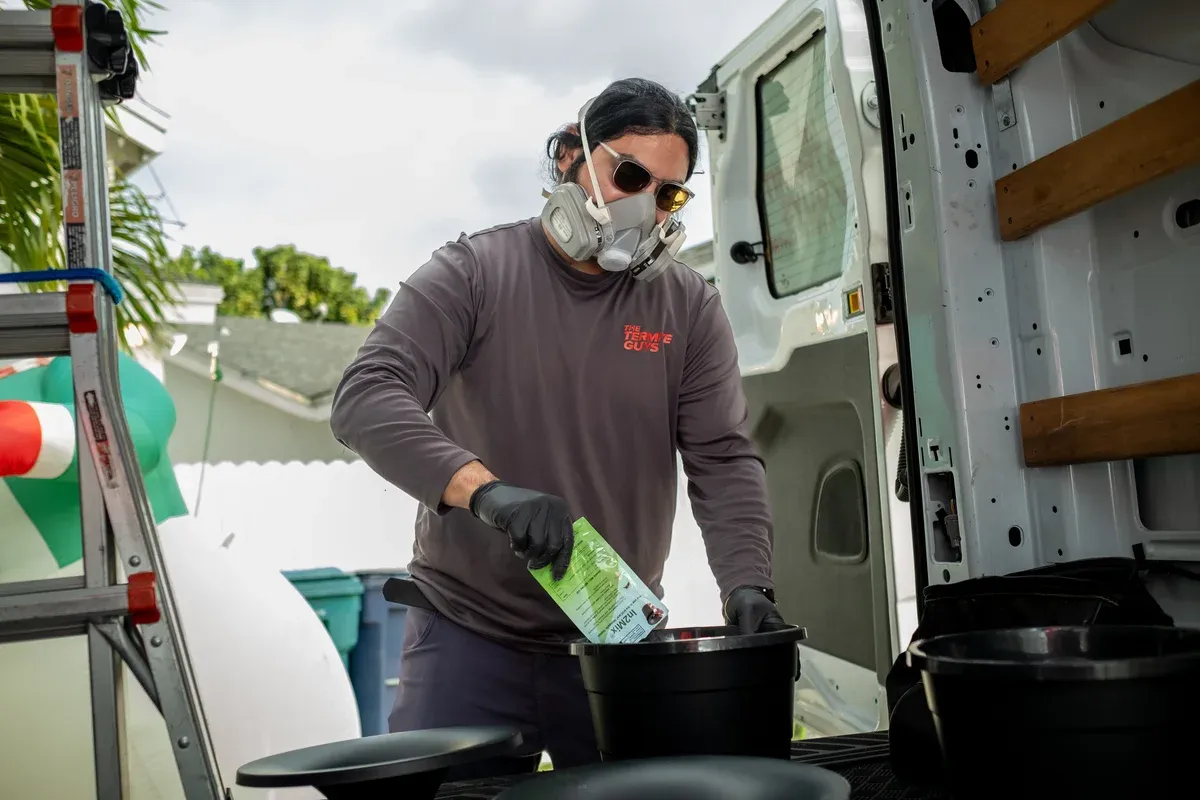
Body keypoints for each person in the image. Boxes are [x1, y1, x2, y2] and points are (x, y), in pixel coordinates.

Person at [330, 77, 787, 775]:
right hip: (467, 636)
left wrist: (748, 584)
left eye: (667, 194)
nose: (644, 205)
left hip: (615, 643)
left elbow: (722, 459)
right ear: (571, 156)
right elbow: (366, 395)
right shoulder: (474, 273)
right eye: (629, 176)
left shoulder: (688, 307)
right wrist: (487, 493)